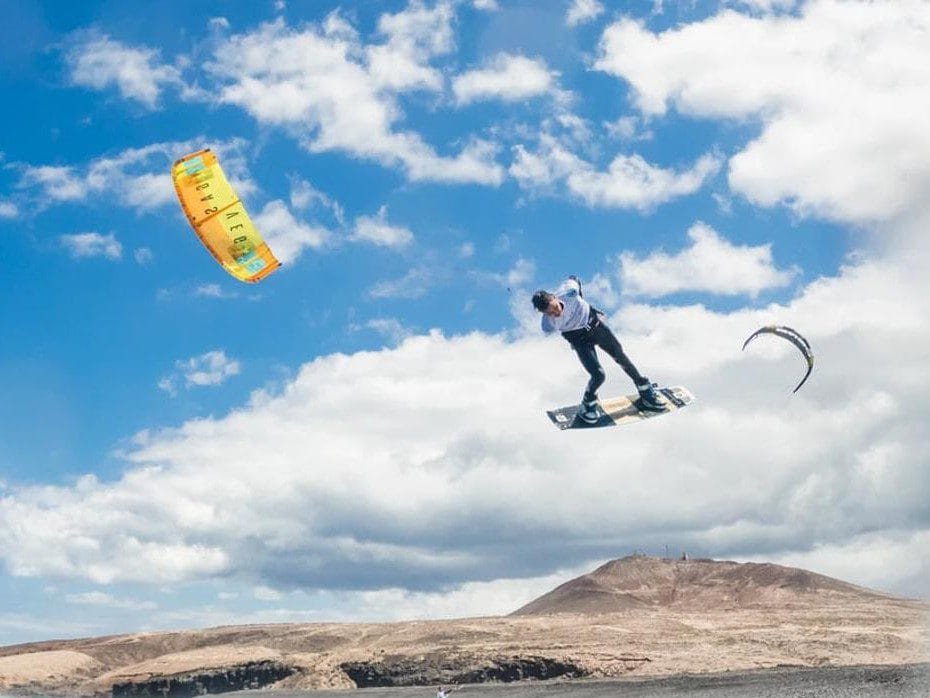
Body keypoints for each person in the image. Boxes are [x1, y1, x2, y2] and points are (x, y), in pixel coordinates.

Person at [532, 275, 665, 422]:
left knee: (621, 357)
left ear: (555, 298)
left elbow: (574, 278)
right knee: (598, 375)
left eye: (555, 308)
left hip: (596, 328)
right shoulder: (547, 325)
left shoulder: (570, 291)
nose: (556, 313)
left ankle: (645, 390)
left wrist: (588, 307)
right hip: (580, 341)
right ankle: (588, 403)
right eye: (550, 313)